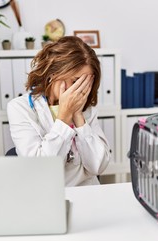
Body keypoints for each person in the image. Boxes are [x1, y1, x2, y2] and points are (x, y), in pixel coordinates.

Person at [7, 36, 111, 186]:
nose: (81, 90)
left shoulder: (86, 110)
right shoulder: (20, 108)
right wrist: (64, 117)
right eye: (76, 82)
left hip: (88, 192)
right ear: (53, 74)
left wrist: (77, 115)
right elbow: (42, 170)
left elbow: (98, 166)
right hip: (47, 195)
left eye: (86, 83)